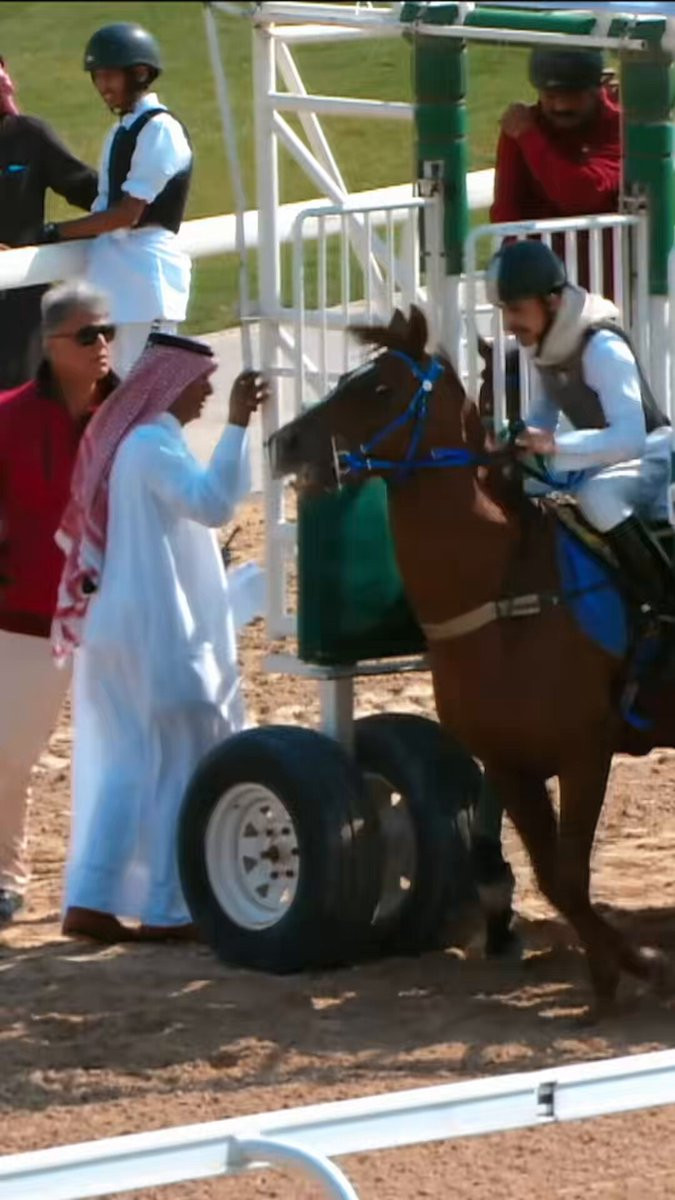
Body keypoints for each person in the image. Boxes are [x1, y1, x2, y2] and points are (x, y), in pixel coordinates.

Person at [53, 333, 269, 944]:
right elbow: (213, 503)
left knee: (129, 764)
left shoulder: (142, 444)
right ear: (170, 385)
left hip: (122, 627)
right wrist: (237, 424)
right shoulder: (150, 445)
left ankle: (92, 899)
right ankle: (171, 909)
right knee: (181, 751)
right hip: (151, 629)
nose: (208, 391)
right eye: (200, 382)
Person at [0, 281, 118, 925]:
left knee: (132, 748)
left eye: (108, 332)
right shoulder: (7, 418)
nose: (103, 345)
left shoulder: (130, 419)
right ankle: (5, 877)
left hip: (119, 615)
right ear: (50, 345)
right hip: (27, 613)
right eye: (87, 334)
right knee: (8, 754)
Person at [486, 239, 674, 612]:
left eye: (517, 309)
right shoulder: (547, 345)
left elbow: (631, 439)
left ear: (553, 301)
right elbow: (542, 417)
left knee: (598, 497)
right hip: (607, 459)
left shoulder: (603, 348)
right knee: (514, 483)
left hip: (655, 455)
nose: (508, 324)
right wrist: (514, 443)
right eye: (505, 311)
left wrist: (555, 446)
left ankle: (662, 600)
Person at [38, 23, 192, 378]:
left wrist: (54, 232)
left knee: (143, 400)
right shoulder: (122, 130)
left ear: (140, 74)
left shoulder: (160, 129)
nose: (102, 86)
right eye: (97, 77)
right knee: (115, 397)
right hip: (118, 286)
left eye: (110, 75)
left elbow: (126, 214)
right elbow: (105, 209)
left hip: (146, 287)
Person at [0, 54, 97, 388]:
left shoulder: (28, 136)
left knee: (21, 399)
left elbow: (88, 189)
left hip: (20, 308)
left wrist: (140, 200)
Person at [491, 47, 621, 224]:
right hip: (534, 242)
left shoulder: (619, 126)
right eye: (550, 96)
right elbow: (506, 209)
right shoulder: (523, 126)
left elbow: (582, 197)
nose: (561, 106)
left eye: (572, 95)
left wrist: (529, 138)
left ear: (597, 88)